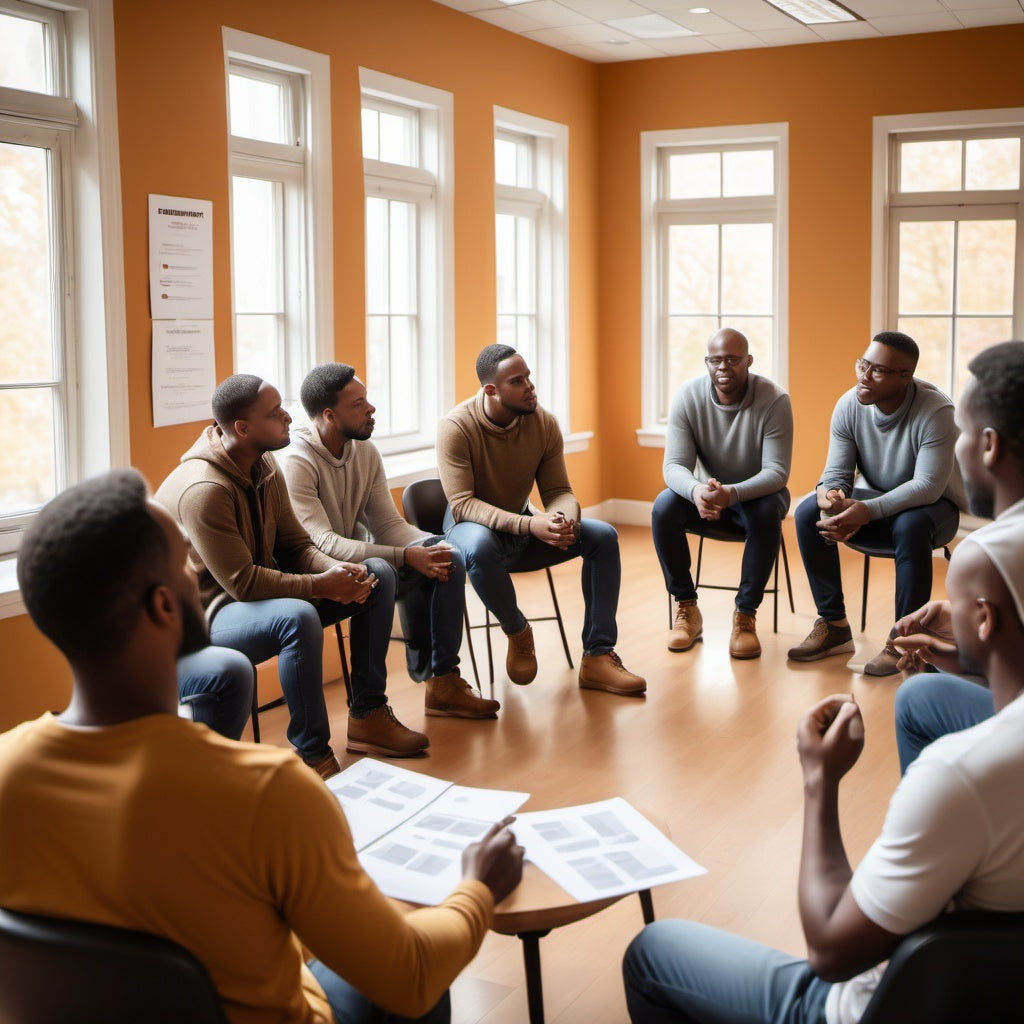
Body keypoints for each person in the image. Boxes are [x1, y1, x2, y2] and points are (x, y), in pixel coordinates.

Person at [5, 468, 524, 1024]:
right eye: (184, 562)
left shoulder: (9, 771)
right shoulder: (268, 791)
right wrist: (476, 888)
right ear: (162, 607)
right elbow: (410, 976)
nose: (195, 573)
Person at [622, 506, 1024, 1024]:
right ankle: (913, 869)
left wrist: (820, 781)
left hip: (878, 1005)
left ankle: (906, 872)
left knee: (651, 952)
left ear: (986, 620)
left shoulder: (956, 776)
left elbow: (831, 954)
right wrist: (973, 656)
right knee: (920, 697)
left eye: (958, 602)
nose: (944, 608)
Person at [155, 373, 428, 777]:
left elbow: (296, 545)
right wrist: (322, 585)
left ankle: (368, 715)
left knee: (377, 575)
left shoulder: (263, 462)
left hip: (260, 595)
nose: (287, 416)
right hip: (209, 617)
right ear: (243, 428)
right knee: (295, 617)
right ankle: (313, 754)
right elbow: (243, 583)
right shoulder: (204, 489)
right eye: (274, 412)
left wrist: (337, 571)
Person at [283, 363, 498, 721]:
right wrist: (407, 556)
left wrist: (433, 545)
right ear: (329, 415)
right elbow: (323, 544)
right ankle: (371, 710)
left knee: (446, 556)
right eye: (358, 404)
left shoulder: (364, 450)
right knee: (389, 567)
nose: (371, 408)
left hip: (360, 561)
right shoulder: (297, 461)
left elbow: (385, 524)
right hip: (319, 571)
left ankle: (442, 681)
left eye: (367, 399)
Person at [437, 344, 645, 695]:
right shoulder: (456, 426)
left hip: (521, 529)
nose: (529, 387)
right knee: (481, 543)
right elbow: (462, 505)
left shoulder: (543, 423)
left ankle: (598, 655)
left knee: (603, 536)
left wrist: (565, 520)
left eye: (528, 377)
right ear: (491, 390)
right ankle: (518, 631)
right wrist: (530, 525)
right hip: (470, 533)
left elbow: (559, 490)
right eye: (517, 381)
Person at [789, 331, 965, 676]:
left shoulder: (937, 411)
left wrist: (867, 511)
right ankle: (834, 626)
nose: (864, 376)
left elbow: (927, 486)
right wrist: (831, 494)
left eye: (879, 371)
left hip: (934, 508)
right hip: (879, 502)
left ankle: (903, 641)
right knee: (809, 511)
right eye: (863, 364)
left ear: (905, 376)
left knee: (910, 524)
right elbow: (836, 472)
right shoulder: (849, 404)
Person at [892, 340, 1024, 773]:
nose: (956, 447)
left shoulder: (984, 558)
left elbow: (1012, 708)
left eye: (962, 432)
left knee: (915, 697)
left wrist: (821, 776)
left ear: (989, 445)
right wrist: (961, 645)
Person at [651, 327, 792, 659]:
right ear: (706, 362)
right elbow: (674, 465)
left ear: (749, 361)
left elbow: (777, 472)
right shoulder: (688, 396)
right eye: (715, 360)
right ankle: (687, 607)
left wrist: (732, 493)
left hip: (757, 495)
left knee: (765, 511)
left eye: (732, 359)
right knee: (664, 507)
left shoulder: (774, 399)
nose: (723, 367)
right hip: (708, 497)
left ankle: (745, 615)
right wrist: (698, 491)